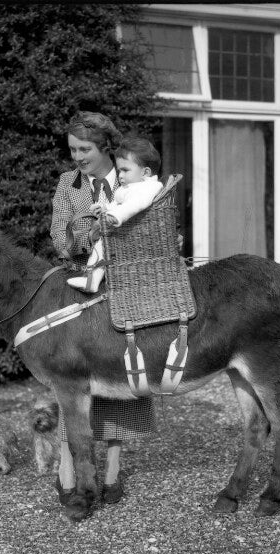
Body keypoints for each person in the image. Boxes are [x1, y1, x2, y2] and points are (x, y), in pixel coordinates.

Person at [49, 111, 156, 504]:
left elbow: (149, 225)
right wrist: (85, 235)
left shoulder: (133, 180)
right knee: (70, 377)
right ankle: (66, 468)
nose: (77, 156)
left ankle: (112, 473)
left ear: (105, 147)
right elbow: (59, 236)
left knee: (124, 371)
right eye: (73, 149)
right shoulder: (68, 184)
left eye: (85, 149)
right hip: (80, 285)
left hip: (127, 283)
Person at [67, 136, 164, 293]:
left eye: (125, 170)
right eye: (119, 170)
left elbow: (134, 205)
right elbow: (118, 204)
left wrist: (116, 216)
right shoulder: (133, 186)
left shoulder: (148, 187)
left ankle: (92, 280)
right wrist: (105, 209)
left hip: (135, 238)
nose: (120, 175)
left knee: (103, 243)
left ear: (145, 172)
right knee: (102, 242)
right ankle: (92, 278)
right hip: (127, 233)